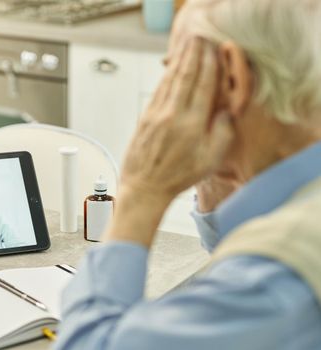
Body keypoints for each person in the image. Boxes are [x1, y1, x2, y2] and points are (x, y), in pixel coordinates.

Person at [55, 0, 321, 349]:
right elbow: (248, 239)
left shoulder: (270, 281)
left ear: (232, 78)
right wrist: (214, 168)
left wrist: (141, 189)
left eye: (173, 71)